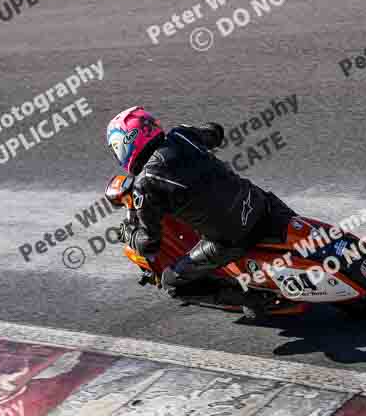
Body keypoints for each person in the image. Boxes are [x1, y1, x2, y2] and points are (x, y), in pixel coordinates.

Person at [106, 106, 296, 297]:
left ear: (125, 145)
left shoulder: (145, 185)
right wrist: (202, 132)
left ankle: (252, 299)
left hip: (232, 240)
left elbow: (150, 244)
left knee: (170, 282)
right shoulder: (181, 135)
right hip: (260, 204)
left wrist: (129, 233)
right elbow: (215, 133)